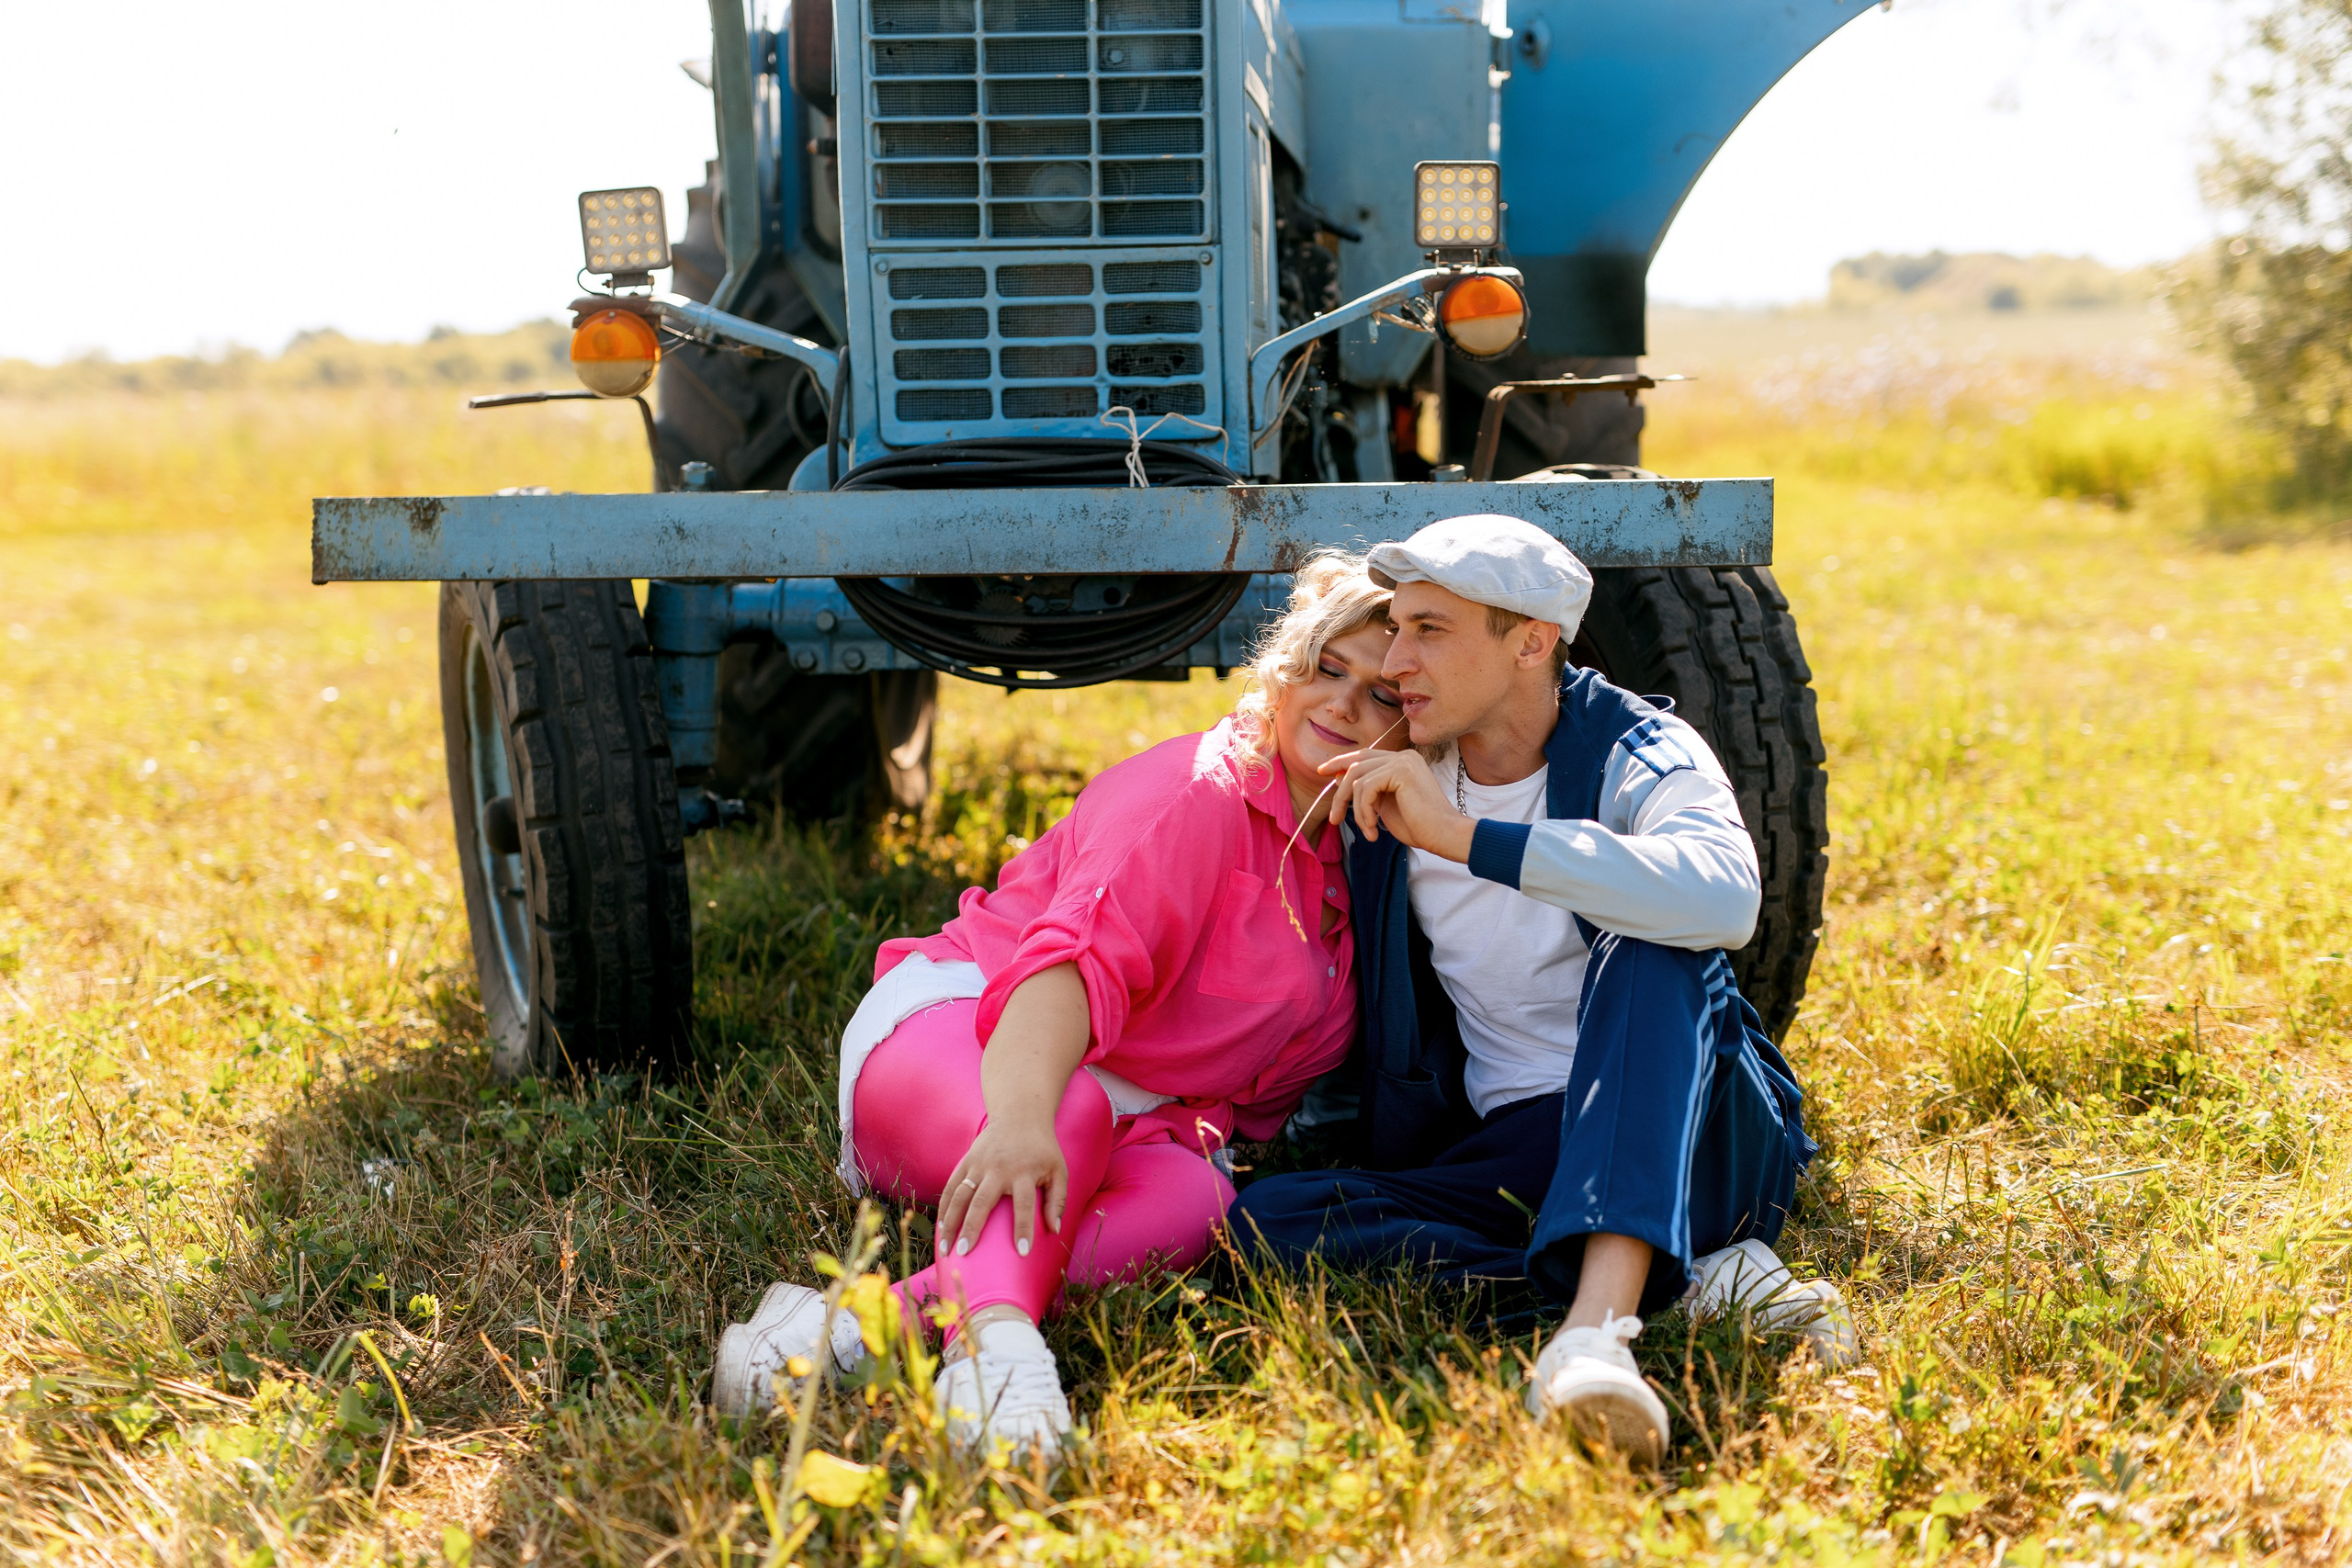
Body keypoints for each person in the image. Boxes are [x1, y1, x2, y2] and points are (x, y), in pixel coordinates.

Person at [711, 554, 1411, 1456]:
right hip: (969, 1034)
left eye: (1382, 693)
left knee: (1198, 1202)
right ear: (1280, 673)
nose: (1345, 705)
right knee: (1069, 1107)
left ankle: (836, 1337)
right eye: (1325, 667)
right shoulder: (1196, 792)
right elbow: (1065, 971)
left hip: (1136, 1126)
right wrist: (1019, 1117)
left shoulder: (1370, 860)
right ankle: (1002, 1360)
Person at [1227, 515, 1852, 1467]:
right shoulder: (1400, 769)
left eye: (1429, 630)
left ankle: (1593, 1334)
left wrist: (1472, 841)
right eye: (1397, 627)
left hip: (1700, 1130)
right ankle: (1698, 1274)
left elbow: (1723, 898)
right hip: (1521, 1147)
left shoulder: (1641, 747)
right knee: (1263, 1227)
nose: (1396, 660)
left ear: (1530, 642)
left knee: (1654, 941)